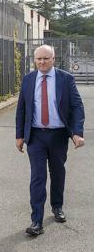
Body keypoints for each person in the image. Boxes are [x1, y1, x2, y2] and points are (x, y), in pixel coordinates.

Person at [15, 44, 85, 236]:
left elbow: (77, 107)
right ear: (34, 60)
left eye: (46, 58)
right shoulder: (28, 80)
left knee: (57, 172)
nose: (42, 62)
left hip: (58, 135)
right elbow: (21, 108)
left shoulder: (65, 79)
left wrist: (77, 132)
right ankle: (36, 220)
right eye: (39, 59)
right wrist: (19, 135)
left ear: (54, 59)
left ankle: (57, 206)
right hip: (36, 136)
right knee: (38, 177)